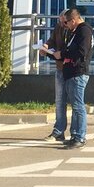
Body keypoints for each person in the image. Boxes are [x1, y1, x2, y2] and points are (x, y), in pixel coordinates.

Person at [61, 7, 93, 148]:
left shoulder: (84, 30)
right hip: (71, 72)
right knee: (75, 106)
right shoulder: (75, 31)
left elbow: (81, 52)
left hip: (78, 72)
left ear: (73, 20)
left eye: (66, 22)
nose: (65, 25)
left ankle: (80, 136)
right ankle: (75, 135)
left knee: (78, 106)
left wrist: (64, 54)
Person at [38, 9, 70, 142]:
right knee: (59, 100)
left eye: (64, 22)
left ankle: (77, 134)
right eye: (60, 21)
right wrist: (45, 46)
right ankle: (58, 131)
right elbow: (52, 40)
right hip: (60, 68)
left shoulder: (76, 29)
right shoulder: (59, 27)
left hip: (73, 70)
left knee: (76, 103)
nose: (62, 24)